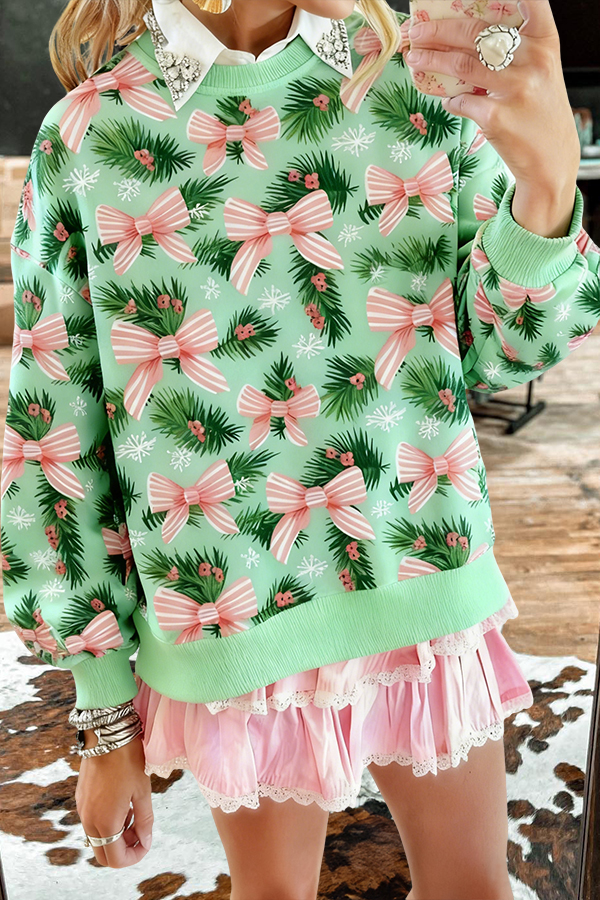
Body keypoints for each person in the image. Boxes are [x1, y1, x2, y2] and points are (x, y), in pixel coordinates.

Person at [2, 0, 598, 897]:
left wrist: (548, 182)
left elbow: (508, 346)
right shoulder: (87, 139)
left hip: (421, 585)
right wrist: (103, 716)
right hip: (232, 627)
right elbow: (54, 437)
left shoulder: (419, 87)